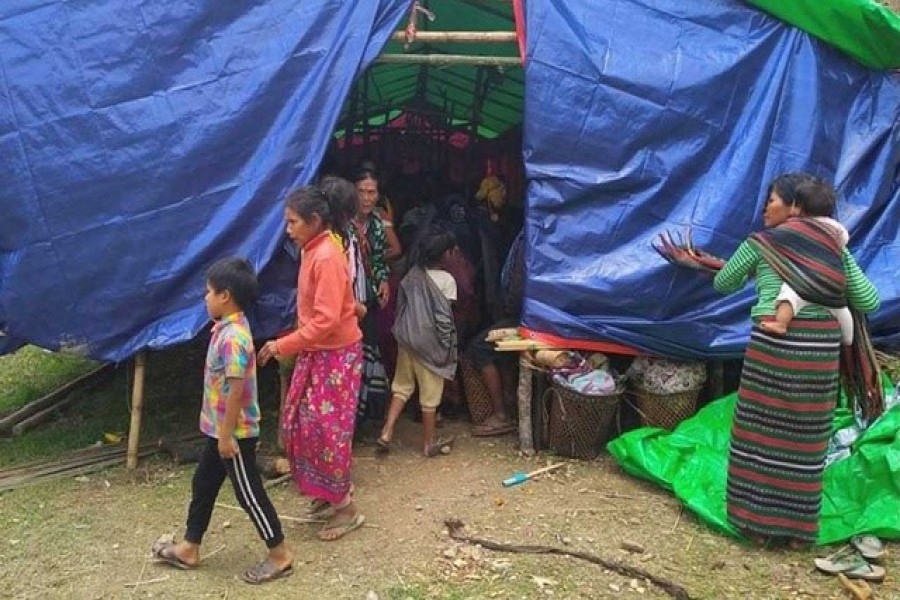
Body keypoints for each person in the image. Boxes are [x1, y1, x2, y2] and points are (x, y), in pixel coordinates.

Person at [712, 173, 880, 549]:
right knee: (805, 441)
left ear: (794, 207)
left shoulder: (762, 243)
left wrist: (757, 270)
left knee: (758, 435)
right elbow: (868, 301)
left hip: (771, 349)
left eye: (771, 200)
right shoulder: (835, 249)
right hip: (818, 356)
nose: (765, 208)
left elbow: (723, 283)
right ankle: (799, 533)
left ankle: (754, 524)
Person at [151, 258, 293, 584]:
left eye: (208, 292)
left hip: (235, 432)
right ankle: (190, 546)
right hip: (220, 430)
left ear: (225, 296)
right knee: (203, 482)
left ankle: (280, 553)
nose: (205, 298)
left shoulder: (233, 339)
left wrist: (227, 436)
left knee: (249, 494)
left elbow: (235, 389)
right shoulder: (226, 329)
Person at [258, 186, 365, 541]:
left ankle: (346, 509)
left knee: (327, 430)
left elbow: (327, 320)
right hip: (318, 351)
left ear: (314, 221)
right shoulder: (311, 250)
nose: (287, 229)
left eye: (292, 222)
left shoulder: (326, 257)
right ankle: (326, 493)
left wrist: (281, 345)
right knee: (305, 425)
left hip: (335, 355)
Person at [377, 230, 459, 457]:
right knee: (430, 396)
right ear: (446, 254)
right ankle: (428, 442)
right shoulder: (447, 281)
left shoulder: (411, 276)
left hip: (407, 340)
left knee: (401, 387)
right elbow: (445, 317)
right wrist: (446, 346)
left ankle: (386, 432)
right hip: (429, 344)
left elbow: (401, 308)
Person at [759, 180, 854, 344]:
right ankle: (848, 341)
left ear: (797, 207)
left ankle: (781, 324)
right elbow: (843, 239)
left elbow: (778, 236)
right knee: (843, 311)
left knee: (788, 293)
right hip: (834, 284)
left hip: (807, 281)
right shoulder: (836, 228)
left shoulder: (794, 226)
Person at [468, 228, 526, 437]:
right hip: (534, 315)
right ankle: (510, 407)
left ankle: (501, 415)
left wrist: (510, 308)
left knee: (479, 348)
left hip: (527, 317)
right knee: (501, 350)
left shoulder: (529, 240)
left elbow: (518, 287)